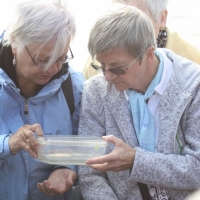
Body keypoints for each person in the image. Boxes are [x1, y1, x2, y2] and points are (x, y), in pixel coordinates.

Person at [78, 4, 200, 200]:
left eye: (118, 68)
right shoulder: (95, 90)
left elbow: (197, 169)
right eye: (101, 65)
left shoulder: (194, 87)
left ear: (149, 54)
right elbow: (90, 173)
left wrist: (136, 160)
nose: (107, 77)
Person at [0, 0, 84, 199]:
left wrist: (67, 168)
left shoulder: (73, 86)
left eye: (60, 58)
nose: (52, 69)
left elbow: (86, 145)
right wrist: (8, 144)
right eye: (42, 59)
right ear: (14, 42)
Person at [83, 0, 200, 80]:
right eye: (117, 18)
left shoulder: (193, 60)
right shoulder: (96, 63)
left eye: (136, 19)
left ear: (161, 18)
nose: (123, 29)